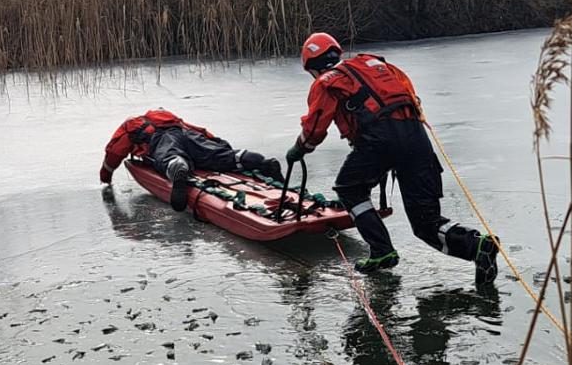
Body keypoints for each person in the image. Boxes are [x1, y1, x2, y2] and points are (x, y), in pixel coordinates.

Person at [285, 32, 499, 284]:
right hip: (416, 137)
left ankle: (381, 250)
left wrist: (299, 149)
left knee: (350, 188)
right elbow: (408, 93)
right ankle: (477, 246)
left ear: (312, 66)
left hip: (378, 139)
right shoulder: (376, 64)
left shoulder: (326, 82)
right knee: (426, 222)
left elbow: (315, 127)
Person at [100, 110, 282, 212]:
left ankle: (178, 168)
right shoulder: (163, 116)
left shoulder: (130, 127)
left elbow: (113, 153)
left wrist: (105, 178)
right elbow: (197, 130)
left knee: (170, 157)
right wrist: (218, 142)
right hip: (187, 134)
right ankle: (257, 161)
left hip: (161, 141)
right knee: (220, 156)